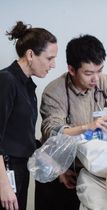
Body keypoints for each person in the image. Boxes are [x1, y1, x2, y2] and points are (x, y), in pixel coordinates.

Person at [35, 34, 107, 210]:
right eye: (88, 73)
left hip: (90, 169)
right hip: (61, 169)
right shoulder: (54, 92)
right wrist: (87, 127)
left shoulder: (102, 82)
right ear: (71, 69)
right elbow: (52, 130)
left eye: (99, 70)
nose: (95, 78)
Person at [0, 21, 57, 210]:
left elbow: (21, 135)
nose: (53, 65)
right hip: (5, 172)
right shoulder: (6, 81)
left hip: (20, 169)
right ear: (30, 54)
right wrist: (4, 186)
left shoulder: (27, 85)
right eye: (49, 58)